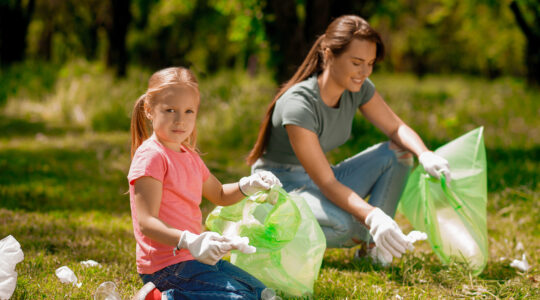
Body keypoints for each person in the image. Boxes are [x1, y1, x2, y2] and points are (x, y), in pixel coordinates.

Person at [246, 15, 451, 265]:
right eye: (356, 62)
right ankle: (265, 233)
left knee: (399, 152)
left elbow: (396, 127)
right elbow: (327, 182)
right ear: (328, 54)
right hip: (279, 189)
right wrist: (372, 216)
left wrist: (425, 154)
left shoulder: (359, 88)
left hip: (314, 182)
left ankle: (373, 250)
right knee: (347, 227)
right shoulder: (298, 105)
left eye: (371, 63)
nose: (364, 72)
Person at [128, 66, 281, 299]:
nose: (181, 120)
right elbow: (147, 222)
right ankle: (163, 297)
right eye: (170, 110)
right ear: (149, 110)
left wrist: (248, 185)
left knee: (262, 294)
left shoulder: (189, 156)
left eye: (189, 111)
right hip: (164, 268)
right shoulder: (152, 156)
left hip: (195, 258)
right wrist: (189, 240)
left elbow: (219, 193)